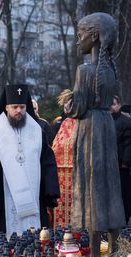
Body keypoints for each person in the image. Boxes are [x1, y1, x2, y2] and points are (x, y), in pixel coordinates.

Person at [64, 12, 126, 257]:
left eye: (80, 36)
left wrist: (68, 104)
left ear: (93, 36)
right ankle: (114, 247)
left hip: (90, 130)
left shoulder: (85, 70)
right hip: (106, 127)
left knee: (91, 185)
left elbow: (78, 107)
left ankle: (94, 254)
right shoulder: (109, 70)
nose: (78, 42)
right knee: (109, 185)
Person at [0, 84, 60, 236]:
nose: (19, 111)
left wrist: (50, 188)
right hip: (6, 197)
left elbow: (47, 160)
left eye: (22, 107)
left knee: (36, 238)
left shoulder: (36, 130)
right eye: (15, 107)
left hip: (33, 195)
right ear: (6, 107)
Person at [51, 92, 77, 228]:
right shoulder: (65, 123)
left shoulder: (84, 123)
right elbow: (55, 147)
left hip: (78, 175)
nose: (67, 107)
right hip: (61, 176)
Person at [110, 95, 131, 223]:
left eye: (113, 104)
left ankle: (124, 217)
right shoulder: (104, 120)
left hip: (120, 164)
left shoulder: (127, 121)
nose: (111, 107)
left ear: (119, 105)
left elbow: (128, 143)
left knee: (123, 192)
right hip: (107, 164)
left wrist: (125, 162)